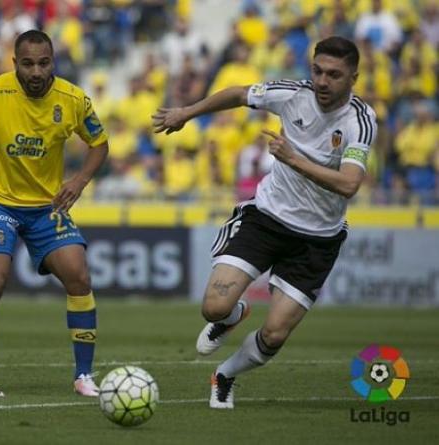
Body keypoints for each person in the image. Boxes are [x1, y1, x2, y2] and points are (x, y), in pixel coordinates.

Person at [152, 36, 376, 409]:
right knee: (214, 309)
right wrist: (186, 113)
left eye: (334, 75)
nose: (322, 81)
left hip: (317, 239)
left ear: (354, 76)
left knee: (274, 335)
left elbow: (350, 183)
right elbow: (239, 94)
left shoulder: (360, 121)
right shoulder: (292, 94)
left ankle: (225, 375)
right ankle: (233, 315)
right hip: (267, 219)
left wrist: (292, 158)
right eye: (317, 71)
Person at [0, 30, 109, 397]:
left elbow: (99, 143)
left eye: (44, 63)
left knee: (79, 275)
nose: (36, 71)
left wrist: (79, 180)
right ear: (15, 63)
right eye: (28, 64)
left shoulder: (74, 98)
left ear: (53, 62)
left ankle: (84, 377)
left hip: (46, 206)